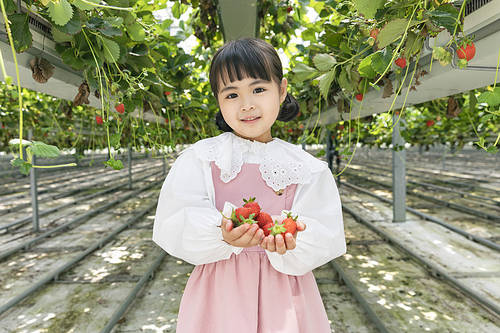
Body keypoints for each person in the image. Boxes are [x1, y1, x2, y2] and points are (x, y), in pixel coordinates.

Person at [152, 37, 346, 333]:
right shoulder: (203, 159)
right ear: (218, 99)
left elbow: (324, 230)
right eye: (231, 95)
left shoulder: (306, 168)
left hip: (284, 290)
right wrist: (222, 233)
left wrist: (292, 240)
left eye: (258, 89)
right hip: (220, 293)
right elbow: (175, 220)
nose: (247, 104)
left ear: (281, 92)